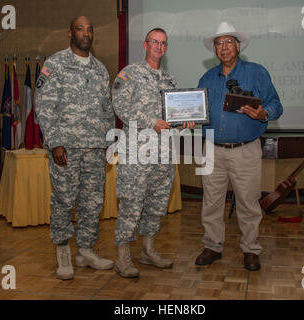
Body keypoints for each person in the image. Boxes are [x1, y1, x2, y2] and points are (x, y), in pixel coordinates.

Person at [195, 21, 283, 271]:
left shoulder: (257, 73)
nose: (223, 47)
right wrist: (188, 116)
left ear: (239, 46)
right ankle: (212, 245)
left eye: (228, 42)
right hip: (212, 149)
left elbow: (276, 105)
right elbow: (199, 110)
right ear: (214, 50)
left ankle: (251, 248)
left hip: (246, 149)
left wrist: (263, 113)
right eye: (219, 43)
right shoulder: (207, 77)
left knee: (248, 202)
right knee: (211, 202)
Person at [34, 16, 115, 280]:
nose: (86, 33)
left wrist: (108, 142)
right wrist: (55, 142)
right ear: (70, 33)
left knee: (92, 202)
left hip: (94, 148)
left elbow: (107, 110)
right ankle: (62, 251)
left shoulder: (100, 69)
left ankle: (86, 251)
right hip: (66, 148)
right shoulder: (55, 64)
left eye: (90, 29)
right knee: (64, 200)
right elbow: (44, 106)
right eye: (80, 29)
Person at [111, 28, 194, 278]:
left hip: (164, 154)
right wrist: (150, 121)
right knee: (131, 203)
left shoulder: (170, 80)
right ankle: (123, 257)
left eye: (163, 43)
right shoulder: (130, 73)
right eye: (154, 42)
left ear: (166, 48)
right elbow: (119, 105)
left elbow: (173, 116)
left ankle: (148, 250)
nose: (158, 47)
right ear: (145, 45)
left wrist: (186, 120)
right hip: (137, 153)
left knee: (157, 204)